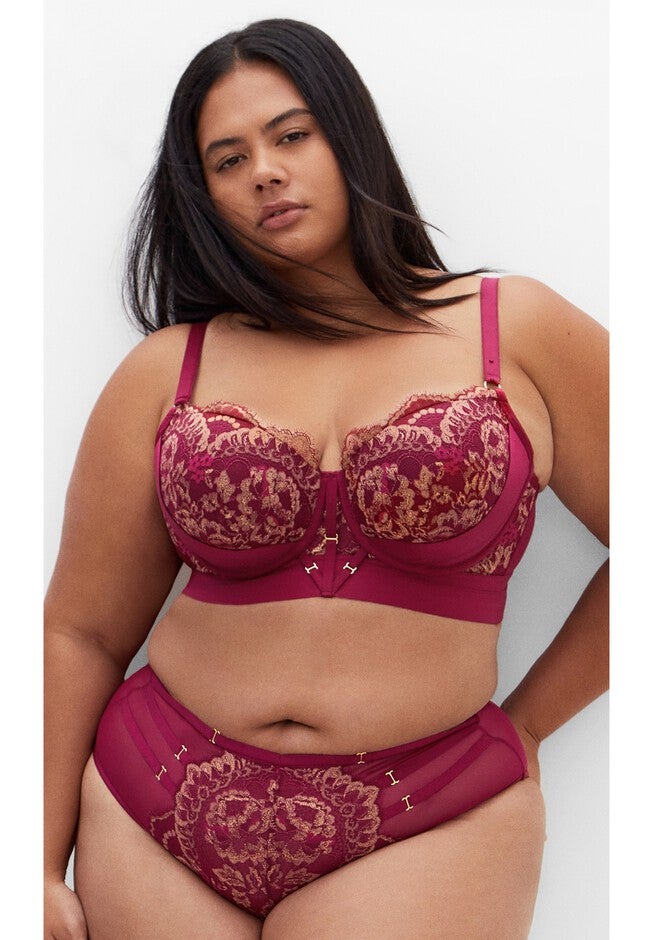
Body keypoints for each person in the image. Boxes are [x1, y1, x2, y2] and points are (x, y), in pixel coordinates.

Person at [44, 18, 608, 940]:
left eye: (291, 135)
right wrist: (29, 857)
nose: (264, 172)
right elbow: (81, 630)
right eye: (228, 160)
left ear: (350, 139)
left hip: (431, 806)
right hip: (156, 795)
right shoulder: (167, 369)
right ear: (203, 195)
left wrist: (530, 726)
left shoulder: (516, 328)